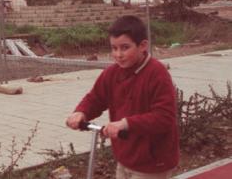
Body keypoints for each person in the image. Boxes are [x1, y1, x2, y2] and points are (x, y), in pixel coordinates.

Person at [65, 15, 179, 179]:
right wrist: (81, 112)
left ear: (143, 46)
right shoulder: (112, 73)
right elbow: (96, 98)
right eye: (114, 48)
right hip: (125, 156)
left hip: (152, 161)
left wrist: (125, 124)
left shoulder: (157, 74)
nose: (118, 54)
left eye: (125, 48)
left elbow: (164, 117)